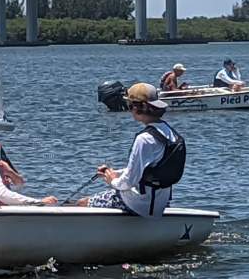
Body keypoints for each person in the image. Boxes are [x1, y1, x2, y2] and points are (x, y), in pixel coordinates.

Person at [77, 82, 185, 216]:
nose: (129, 110)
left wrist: (112, 181)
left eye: (130, 106)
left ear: (139, 107)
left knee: (82, 203)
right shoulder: (169, 132)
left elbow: (129, 181)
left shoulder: (144, 139)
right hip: (159, 202)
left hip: (140, 205)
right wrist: (113, 173)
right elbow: (147, 170)